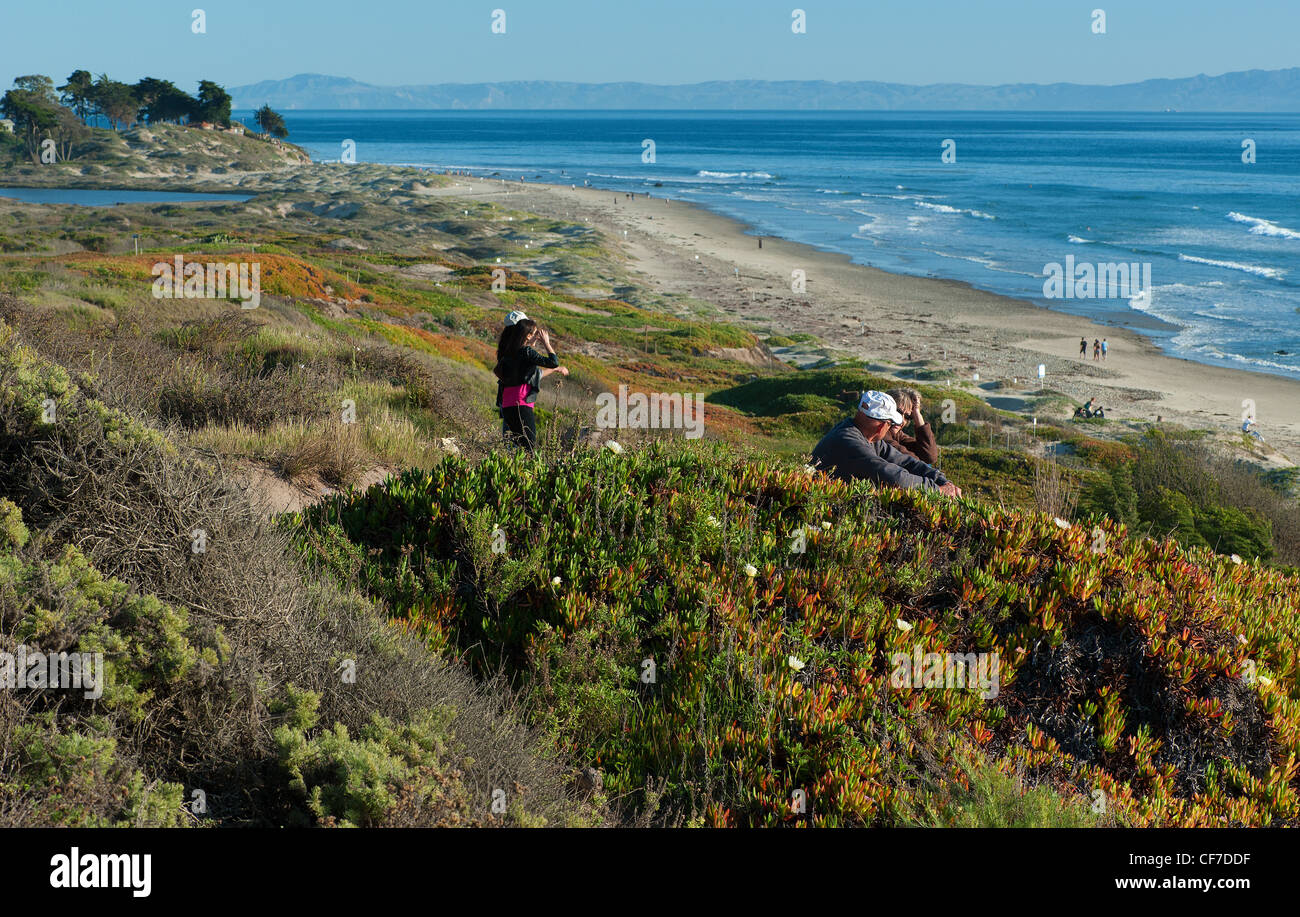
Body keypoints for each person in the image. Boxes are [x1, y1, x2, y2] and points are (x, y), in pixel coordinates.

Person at [811, 391, 961, 496]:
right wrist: (938, 490)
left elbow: (906, 462)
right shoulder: (848, 441)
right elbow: (892, 476)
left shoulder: (866, 436)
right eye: (890, 424)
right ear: (883, 426)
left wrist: (941, 480)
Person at [494, 314, 568, 452]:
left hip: (507, 403)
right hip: (521, 402)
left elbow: (530, 373)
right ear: (526, 334)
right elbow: (553, 362)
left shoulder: (507, 352)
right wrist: (547, 343)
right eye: (533, 333)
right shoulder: (526, 352)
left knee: (512, 445)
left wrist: (530, 342)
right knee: (529, 445)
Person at [884, 387, 938, 464]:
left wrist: (917, 413)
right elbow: (910, 460)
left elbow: (930, 457)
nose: (902, 420)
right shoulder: (878, 431)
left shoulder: (898, 435)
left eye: (907, 417)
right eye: (898, 412)